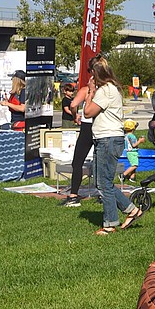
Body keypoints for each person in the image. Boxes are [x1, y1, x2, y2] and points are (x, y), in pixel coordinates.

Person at [84, 60, 142, 234]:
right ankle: (131, 210)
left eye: (91, 72)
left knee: (103, 184)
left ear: (97, 73)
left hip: (107, 139)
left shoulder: (105, 90)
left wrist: (91, 92)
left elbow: (88, 112)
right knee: (102, 182)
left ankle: (110, 224)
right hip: (108, 138)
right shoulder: (112, 88)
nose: (90, 76)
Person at [61, 58, 104, 208]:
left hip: (88, 127)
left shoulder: (87, 90)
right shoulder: (106, 89)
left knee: (77, 161)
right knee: (100, 162)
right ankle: (102, 193)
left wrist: (75, 115)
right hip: (101, 127)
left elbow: (73, 105)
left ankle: (74, 195)